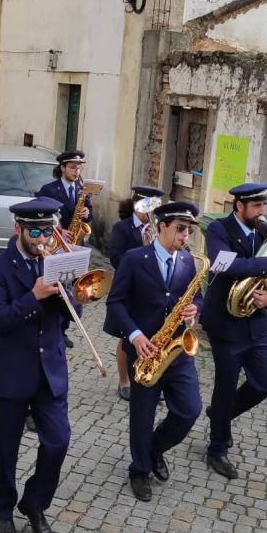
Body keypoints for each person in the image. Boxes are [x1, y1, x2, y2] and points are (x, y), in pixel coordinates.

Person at [0, 198, 71, 533]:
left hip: (51, 370)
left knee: (59, 441)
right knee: (6, 447)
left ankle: (34, 503)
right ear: (18, 228)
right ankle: (3, 508)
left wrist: (70, 295)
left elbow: (70, 313)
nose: (43, 238)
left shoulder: (56, 261)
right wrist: (33, 297)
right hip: (13, 370)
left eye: (49, 230)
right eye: (36, 231)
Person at [104, 200, 203, 502]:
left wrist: (193, 311)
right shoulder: (135, 259)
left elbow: (199, 298)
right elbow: (115, 302)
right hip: (144, 350)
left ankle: (155, 448)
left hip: (176, 350)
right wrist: (134, 336)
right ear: (162, 227)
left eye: (189, 231)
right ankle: (139, 469)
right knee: (142, 414)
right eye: (180, 230)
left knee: (190, 409)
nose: (186, 237)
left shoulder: (188, 262)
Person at [199, 183, 267, 479]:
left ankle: (220, 415)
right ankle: (217, 448)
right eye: (256, 207)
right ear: (239, 206)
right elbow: (223, 266)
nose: (262, 212)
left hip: (256, 322)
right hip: (225, 323)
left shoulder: (265, 232)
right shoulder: (218, 230)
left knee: (265, 384)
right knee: (225, 385)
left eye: (263, 206)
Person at [109, 185, 162, 401]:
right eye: (148, 207)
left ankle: (150, 378)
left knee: (154, 335)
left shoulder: (159, 228)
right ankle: (124, 380)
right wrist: (143, 251)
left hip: (152, 291)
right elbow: (115, 259)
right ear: (136, 205)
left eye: (156, 207)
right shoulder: (122, 228)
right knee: (126, 337)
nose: (151, 213)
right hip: (129, 290)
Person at [38, 149, 91, 233]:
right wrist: (59, 231)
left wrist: (87, 213)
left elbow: (90, 215)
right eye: (73, 167)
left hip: (76, 240)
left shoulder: (83, 189)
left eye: (79, 168)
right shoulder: (48, 190)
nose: (77, 171)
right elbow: (41, 217)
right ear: (63, 168)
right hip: (56, 241)